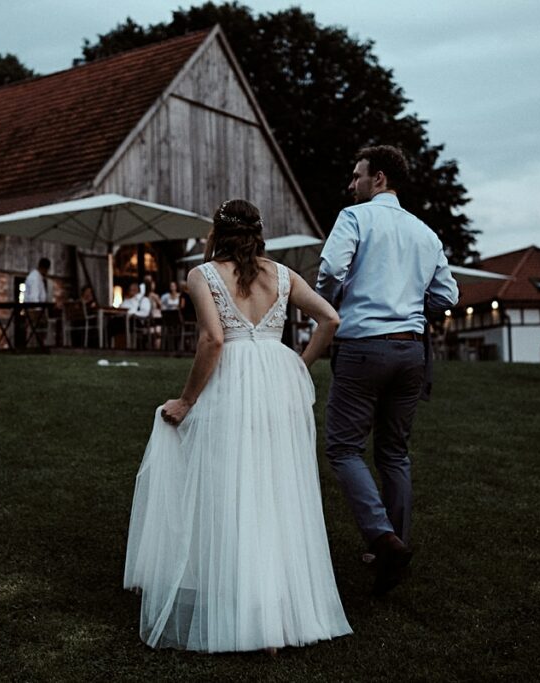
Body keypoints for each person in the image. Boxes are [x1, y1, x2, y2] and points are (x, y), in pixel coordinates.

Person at [124, 199, 352, 654]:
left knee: (231, 487)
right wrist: (299, 366)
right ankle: (276, 616)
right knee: (275, 490)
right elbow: (330, 318)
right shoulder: (283, 275)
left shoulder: (202, 275)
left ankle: (247, 612)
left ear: (217, 233)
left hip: (232, 383)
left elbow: (213, 338)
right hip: (277, 384)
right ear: (258, 233)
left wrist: (187, 400)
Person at [316, 145, 459, 596]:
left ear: (378, 178)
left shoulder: (355, 218)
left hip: (362, 348)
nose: (351, 184)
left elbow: (329, 268)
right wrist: (412, 308)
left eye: (357, 175)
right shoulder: (425, 233)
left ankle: (382, 537)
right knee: (394, 453)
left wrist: (335, 301)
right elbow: (447, 295)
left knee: (342, 447)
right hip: (411, 351)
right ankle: (391, 549)